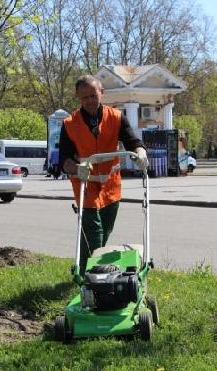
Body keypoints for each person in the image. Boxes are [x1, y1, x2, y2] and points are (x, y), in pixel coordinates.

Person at [59, 75, 148, 273]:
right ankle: (92, 277)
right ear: (78, 98)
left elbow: (133, 141)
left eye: (93, 95)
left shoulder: (116, 117)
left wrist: (140, 153)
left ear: (101, 93)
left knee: (104, 230)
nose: (89, 101)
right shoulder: (69, 124)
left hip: (110, 187)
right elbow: (63, 160)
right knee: (95, 233)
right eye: (84, 98)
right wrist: (76, 168)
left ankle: (83, 271)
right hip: (86, 186)